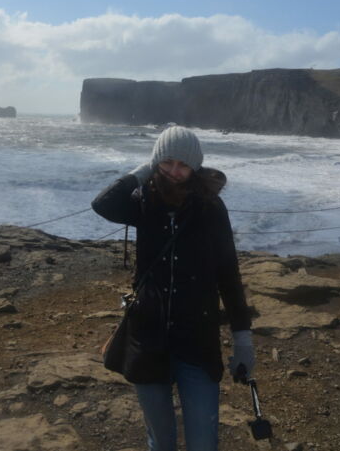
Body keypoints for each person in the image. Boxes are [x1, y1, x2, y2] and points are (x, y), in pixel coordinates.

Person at [92, 125, 254, 451]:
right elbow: (103, 204)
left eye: (183, 164)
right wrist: (144, 170)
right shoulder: (142, 202)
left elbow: (228, 273)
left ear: (195, 167)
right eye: (167, 162)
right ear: (156, 162)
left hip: (197, 341)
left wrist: (242, 337)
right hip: (148, 339)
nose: (175, 172)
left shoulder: (210, 208)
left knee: (203, 442)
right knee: (160, 441)